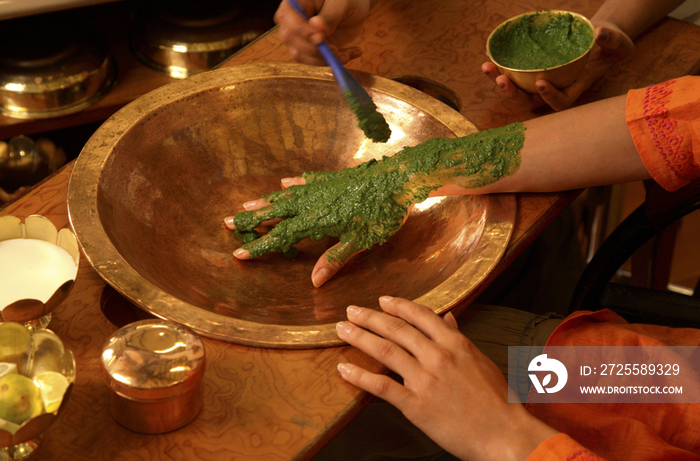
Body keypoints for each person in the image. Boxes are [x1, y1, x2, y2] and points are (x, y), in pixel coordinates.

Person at [223, 1, 700, 459]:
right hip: (668, 378)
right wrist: (398, 176)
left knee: (335, 407)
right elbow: (680, 121)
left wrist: (503, 437)